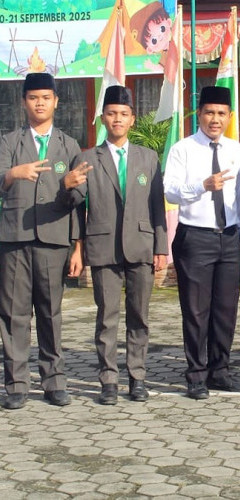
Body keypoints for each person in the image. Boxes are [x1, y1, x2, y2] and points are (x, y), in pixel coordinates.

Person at [67, 85, 168, 405]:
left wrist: (161, 248)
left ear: (132, 119)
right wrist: (78, 246)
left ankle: (137, 377)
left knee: (139, 316)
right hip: (104, 247)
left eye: (124, 114)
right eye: (111, 114)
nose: (118, 119)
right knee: (107, 317)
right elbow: (76, 205)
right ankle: (108, 380)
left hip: (141, 245)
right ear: (103, 118)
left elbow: (157, 205)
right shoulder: (87, 158)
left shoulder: (148, 158)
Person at [0, 72, 82, 409]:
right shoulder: (9, 142)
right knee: (14, 314)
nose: (39, 103)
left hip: (54, 239)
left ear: (56, 102)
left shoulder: (69, 145)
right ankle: (17, 384)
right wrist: (12, 174)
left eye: (46, 98)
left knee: (50, 313)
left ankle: (54, 381)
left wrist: (77, 244)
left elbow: (79, 200)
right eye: (33, 98)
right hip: (15, 239)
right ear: (24, 102)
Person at [163, 86, 240, 400]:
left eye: (221, 113)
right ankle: (196, 375)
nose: (215, 119)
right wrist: (202, 186)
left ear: (229, 116)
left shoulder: (235, 150)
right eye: (209, 112)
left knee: (225, 310)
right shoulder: (183, 149)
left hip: (229, 237)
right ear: (199, 114)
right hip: (195, 238)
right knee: (196, 311)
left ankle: (220, 371)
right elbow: (170, 190)